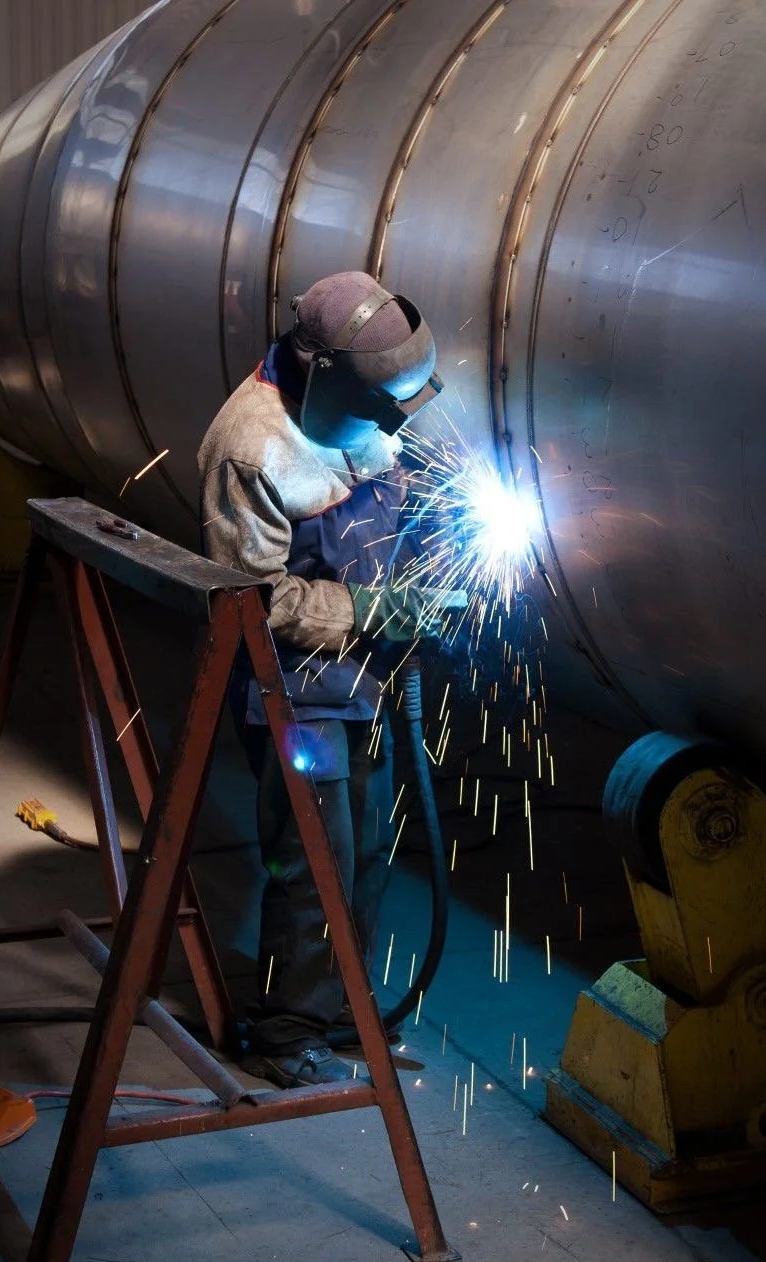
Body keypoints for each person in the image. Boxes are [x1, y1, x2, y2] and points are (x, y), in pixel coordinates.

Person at [198, 271, 465, 1087]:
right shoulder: (251, 448)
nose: (391, 423)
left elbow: (392, 482)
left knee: (369, 853)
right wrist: (378, 608)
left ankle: (340, 1008)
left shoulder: (365, 403)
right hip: (289, 691)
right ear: (325, 376)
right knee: (315, 860)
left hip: (363, 679)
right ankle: (285, 1033)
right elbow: (251, 598)